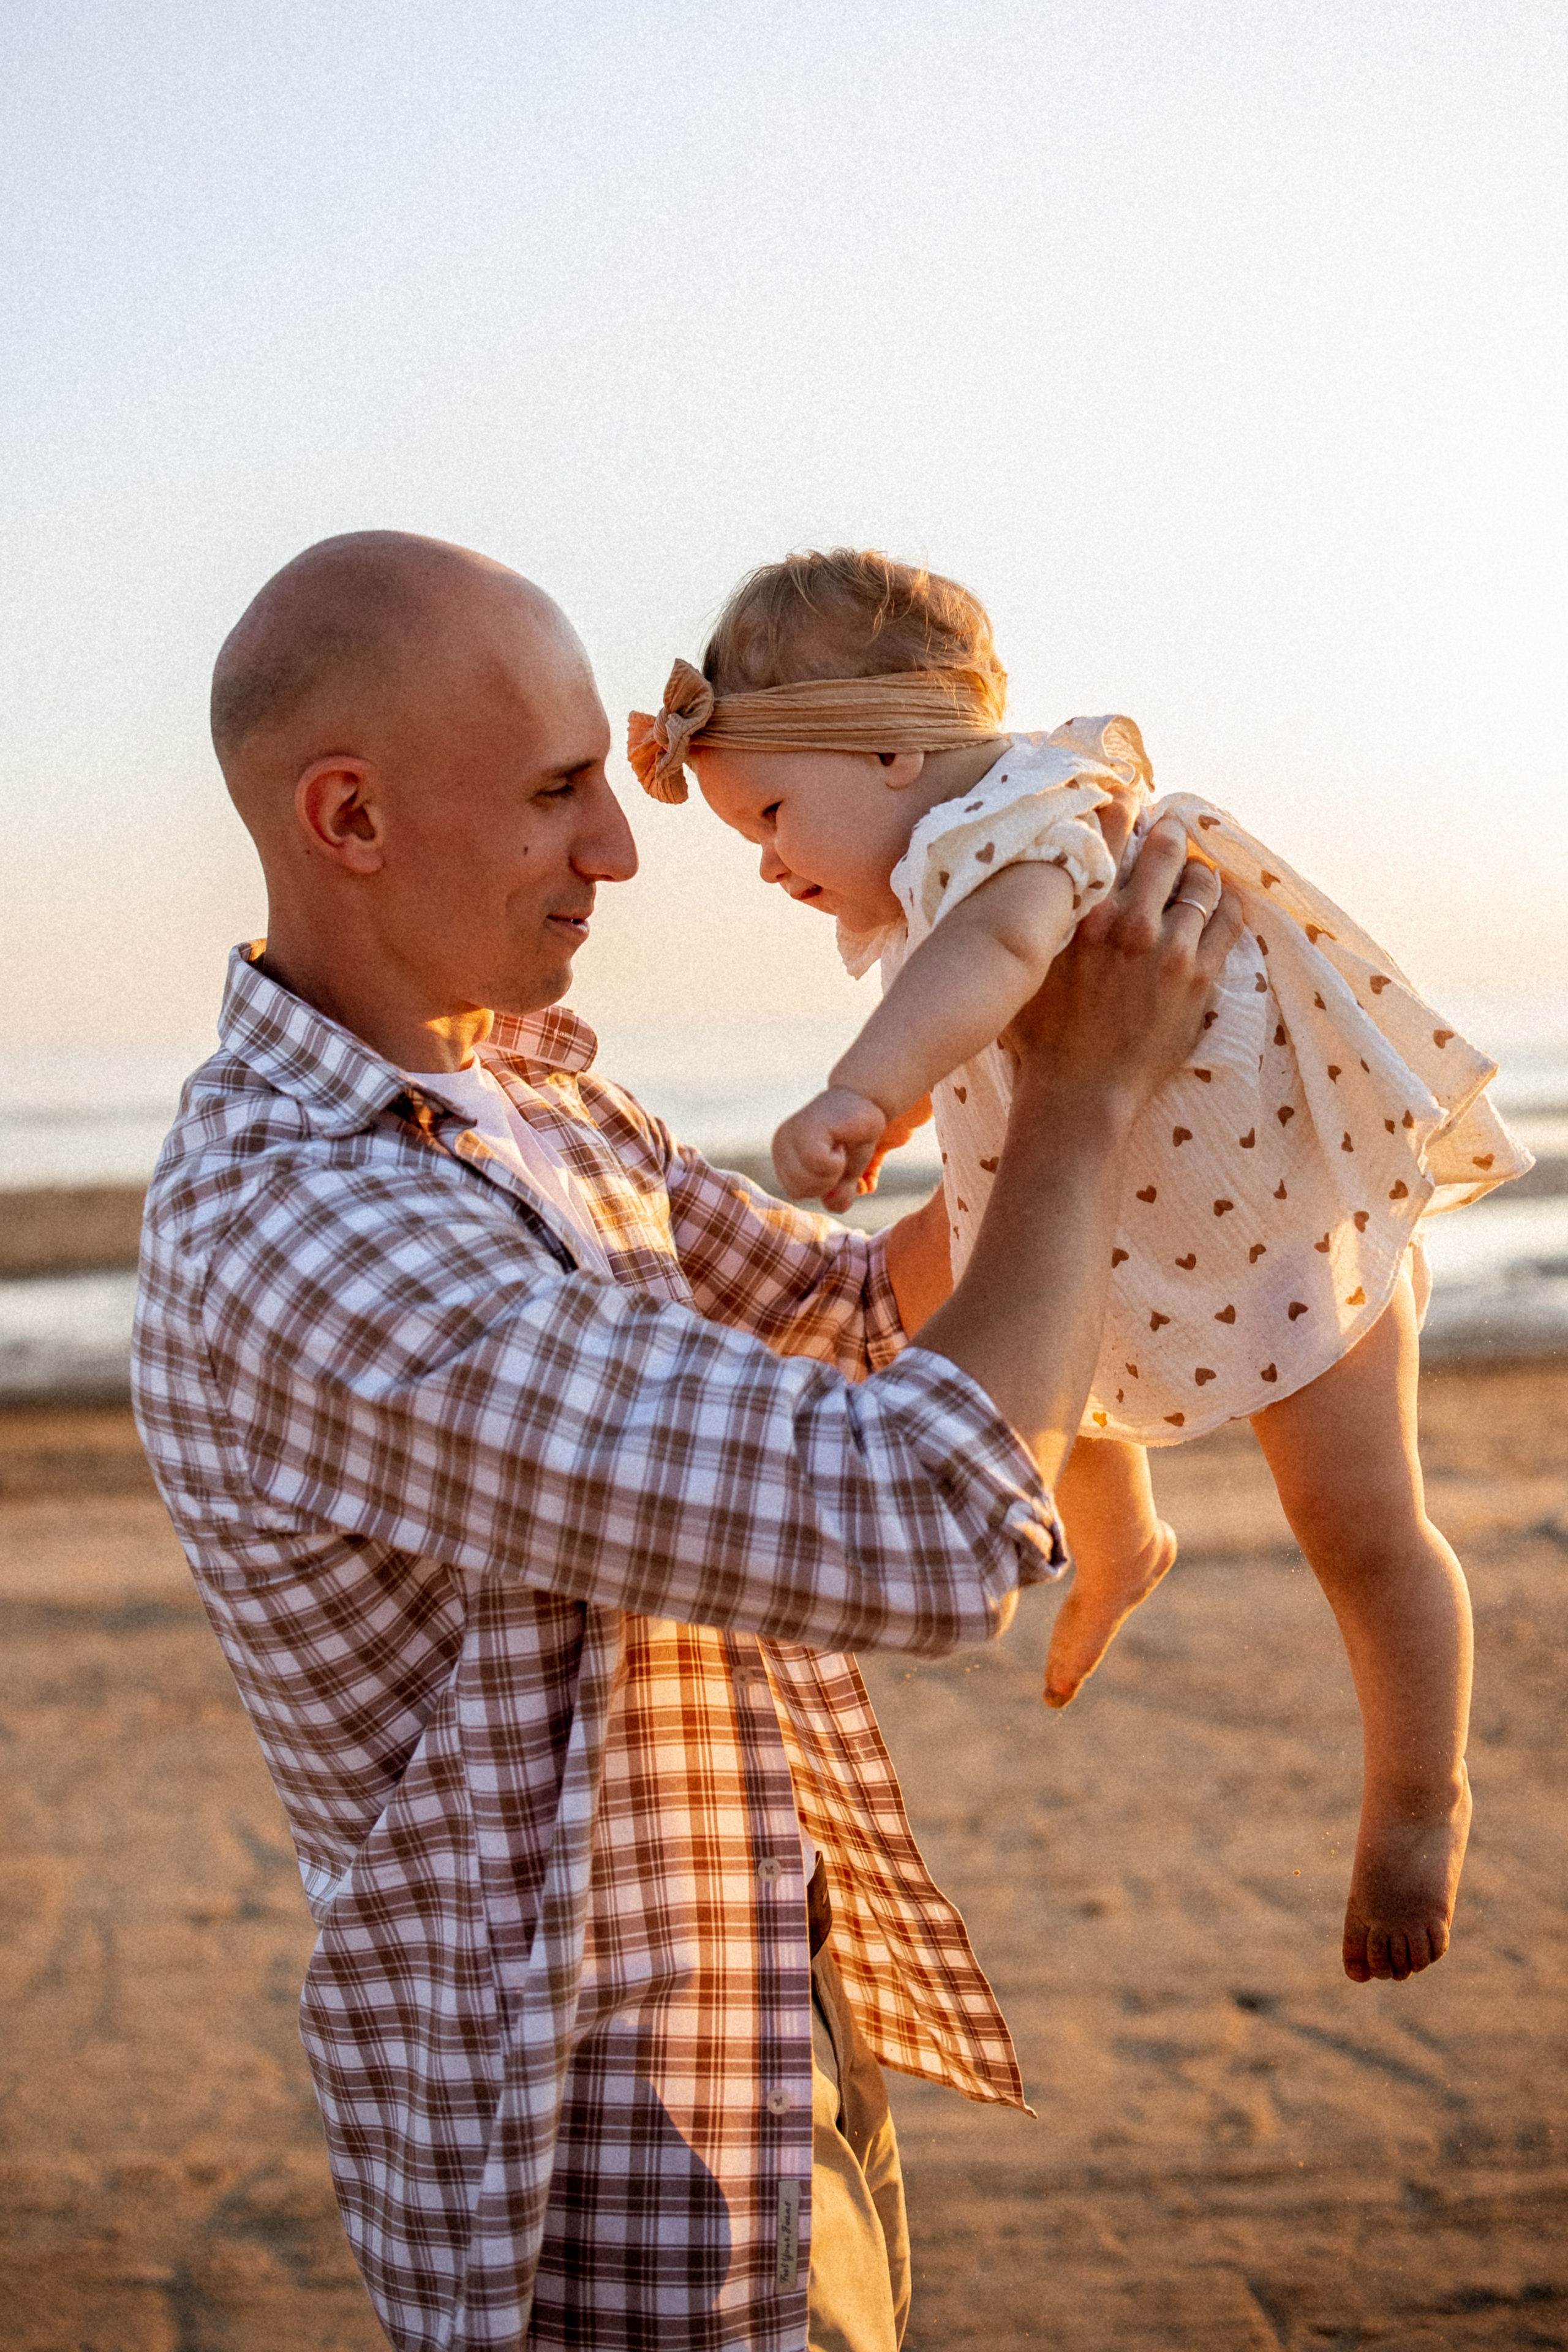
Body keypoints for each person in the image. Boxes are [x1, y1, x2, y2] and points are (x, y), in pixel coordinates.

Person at [131, 530, 1238, 2352]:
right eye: (560, 794)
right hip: (590, 2112)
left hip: (767, 2000)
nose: (622, 851)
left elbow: (860, 1313)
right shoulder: (309, 1234)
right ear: (350, 817)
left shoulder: (531, 1090)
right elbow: (922, 1521)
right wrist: (1078, 1101)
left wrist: (1044, 1023)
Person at [629, 547, 1533, 1993]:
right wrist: (925, 1100)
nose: (766, 862)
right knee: (1020, 1349)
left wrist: (862, 1092)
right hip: (1121, 1223)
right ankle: (1116, 1544)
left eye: (773, 813)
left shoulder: (1023, 826)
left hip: (1289, 1229)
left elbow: (995, 957)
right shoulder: (947, 870)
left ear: (888, 746)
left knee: (1358, 1525)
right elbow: (985, 1003)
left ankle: (1417, 1799)